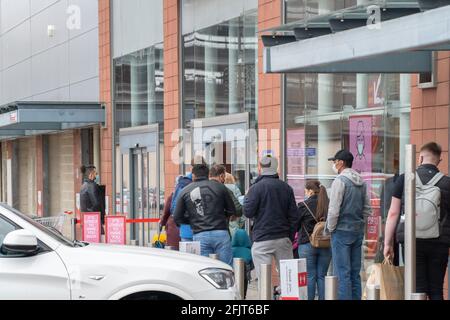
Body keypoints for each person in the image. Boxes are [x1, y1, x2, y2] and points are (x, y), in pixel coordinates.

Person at [384, 142, 450, 300]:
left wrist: (387, 243)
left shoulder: (404, 179)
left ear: (420, 158)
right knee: (436, 289)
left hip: (412, 241)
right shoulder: (447, 183)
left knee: (416, 289)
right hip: (439, 242)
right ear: (438, 160)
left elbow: (393, 213)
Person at [243, 155, 299, 282]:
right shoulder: (286, 187)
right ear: (276, 167)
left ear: (260, 168)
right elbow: (294, 216)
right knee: (288, 278)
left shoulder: (255, 188)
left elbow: (248, 212)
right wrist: (289, 236)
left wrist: (247, 197)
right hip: (283, 238)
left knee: (264, 280)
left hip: (262, 238)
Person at [326, 150, 372, 300]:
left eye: (334, 162)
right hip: (357, 231)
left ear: (340, 162)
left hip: (340, 231)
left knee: (342, 273)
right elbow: (367, 209)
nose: (334, 164)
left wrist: (330, 229)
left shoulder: (339, 181)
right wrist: (359, 224)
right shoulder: (362, 181)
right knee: (354, 272)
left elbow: (333, 210)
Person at [173, 162, 236, 265]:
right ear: (208, 175)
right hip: (221, 232)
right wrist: (219, 216)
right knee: (226, 268)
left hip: (200, 234)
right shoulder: (221, 187)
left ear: (193, 175)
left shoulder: (185, 191)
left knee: (205, 269)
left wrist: (194, 220)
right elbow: (231, 210)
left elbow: (177, 217)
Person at [297, 180, 331, 300]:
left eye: (306, 190)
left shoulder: (303, 206)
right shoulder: (329, 205)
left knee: (310, 276)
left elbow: (296, 225)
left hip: (307, 244)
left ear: (311, 191)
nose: (305, 193)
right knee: (322, 276)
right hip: (326, 244)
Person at [80, 165, 105, 233]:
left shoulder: (83, 186)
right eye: (95, 173)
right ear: (90, 175)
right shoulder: (91, 186)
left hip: (88, 219)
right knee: (100, 236)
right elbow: (96, 203)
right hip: (94, 218)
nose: (96, 175)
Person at [170, 173, 193, 242]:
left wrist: (179, 223)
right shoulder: (205, 183)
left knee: (186, 252)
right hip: (203, 231)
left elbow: (174, 208)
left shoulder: (181, 184)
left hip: (185, 229)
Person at [160, 177, 182, 250]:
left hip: (173, 228)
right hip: (187, 229)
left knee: (173, 251)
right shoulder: (190, 193)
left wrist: (162, 223)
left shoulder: (172, 196)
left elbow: (166, 212)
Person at [232, 229, 254, 299]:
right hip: (245, 278)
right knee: (243, 295)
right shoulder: (249, 251)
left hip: (233, 277)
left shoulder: (230, 250)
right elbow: (252, 266)